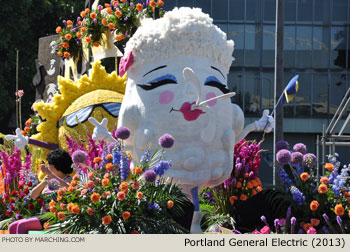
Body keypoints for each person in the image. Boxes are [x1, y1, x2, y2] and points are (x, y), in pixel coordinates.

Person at [9, 149, 73, 234]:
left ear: (57, 165)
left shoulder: (69, 180)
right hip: (44, 216)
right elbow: (33, 196)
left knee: (22, 225)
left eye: (49, 164)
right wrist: (43, 182)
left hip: (56, 217)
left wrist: (51, 175)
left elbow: (69, 188)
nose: (47, 166)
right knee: (12, 226)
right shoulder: (49, 179)